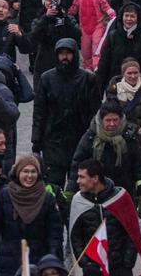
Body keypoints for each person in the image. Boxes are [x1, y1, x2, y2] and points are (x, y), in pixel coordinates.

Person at [30, 39, 100, 191]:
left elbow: (95, 112)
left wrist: (93, 137)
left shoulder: (88, 79)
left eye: (68, 53)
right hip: (53, 140)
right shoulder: (47, 79)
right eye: (61, 54)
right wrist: (36, 141)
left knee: (78, 185)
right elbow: (39, 112)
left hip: (80, 139)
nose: (65, 57)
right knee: (53, 186)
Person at [0, 157, 61, 276]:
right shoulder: (4, 195)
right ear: (18, 172)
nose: (30, 176)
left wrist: (52, 259)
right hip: (8, 263)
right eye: (26, 171)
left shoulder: (47, 198)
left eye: (33, 171)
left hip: (38, 263)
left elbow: (55, 234)